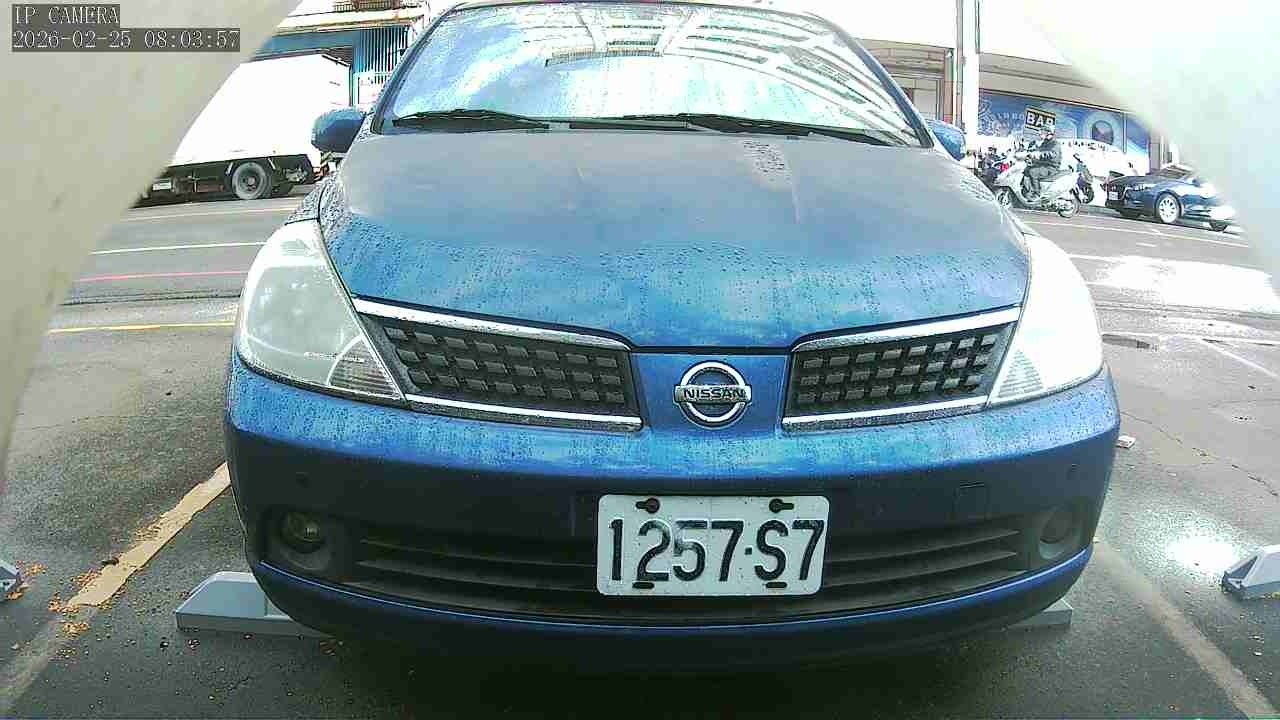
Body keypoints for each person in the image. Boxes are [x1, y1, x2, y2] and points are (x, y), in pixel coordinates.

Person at [1025, 127, 1062, 200]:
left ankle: (1037, 193)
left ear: (1048, 133)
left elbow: (1052, 153)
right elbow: (1039, 149)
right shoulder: (1046, 142)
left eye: (1042, 132)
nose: (1040, 133)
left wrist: (1039, 154)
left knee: (1033, 172)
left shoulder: (1055, 143)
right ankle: (1027, 189)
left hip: (1051, 167)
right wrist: (1030, 151)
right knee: (1026, 169)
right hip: (1044, 165)